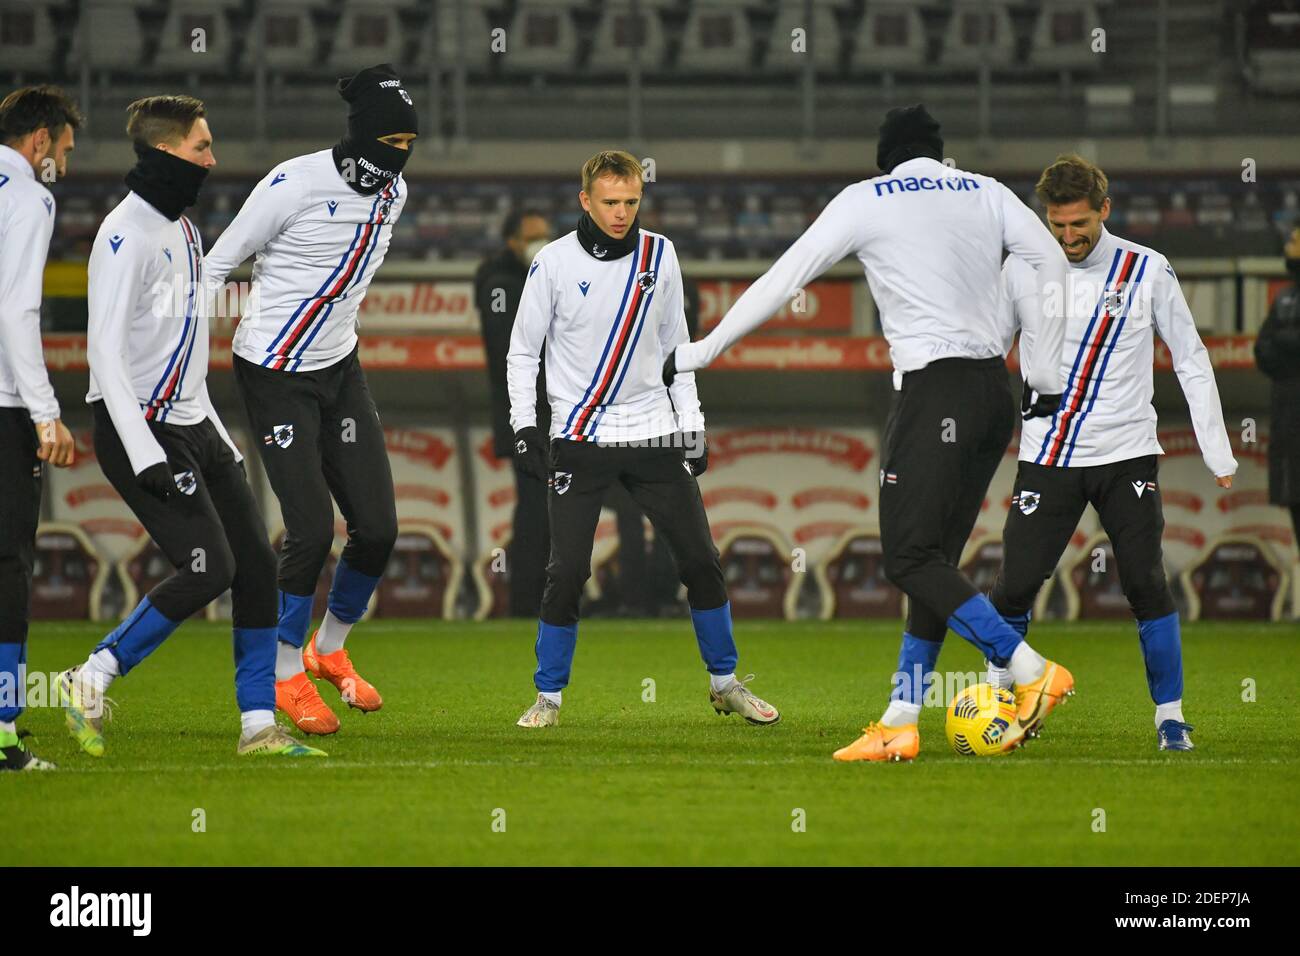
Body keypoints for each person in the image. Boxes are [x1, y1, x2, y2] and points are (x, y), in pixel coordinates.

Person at [664, 105, 1074, 761]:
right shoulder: (987, 193)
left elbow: (785, 277)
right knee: (932, 565)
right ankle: (902, 719)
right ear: (939, 154)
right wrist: (1046, 370)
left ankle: (1028, 669)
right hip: (993, 392)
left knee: (908, 559)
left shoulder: (868, 199)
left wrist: (706, 349)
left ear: (886, 158)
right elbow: (1051, 260)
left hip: (933, 389)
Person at [57, 95, 323, 759]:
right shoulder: (123, 235)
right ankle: (88, 678)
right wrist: (146, 453)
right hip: (136, 430)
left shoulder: (182, 226)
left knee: (257, 566)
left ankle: (257, 726)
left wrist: (214, 434)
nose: (214, 159)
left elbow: (184, 343)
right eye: (203, 147)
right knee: (209, 566)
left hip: (193, 423)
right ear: (170, 151)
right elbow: (105, 357)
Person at [507, 149, 780, 728]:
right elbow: (522, 351)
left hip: (655, 432)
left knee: (702, 561)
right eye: (610, 202)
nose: (622, 212)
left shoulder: (662, 254)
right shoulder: (552, 264)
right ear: (585, 200)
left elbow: (677, 345)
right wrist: (524, 425)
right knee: (567, 571)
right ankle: (548, 698)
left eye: (631, 201)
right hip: (579, 437)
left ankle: (725, 682)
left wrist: (693, 425)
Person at [989, 155, 1237, 752]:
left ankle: (1171, 719)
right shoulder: (1022, 270)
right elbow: (986, 354)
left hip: (1127, 455)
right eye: (1057, 225)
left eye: (1080, 225)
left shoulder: (1147, 270)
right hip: (1047, 457)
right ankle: (997, 705)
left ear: (1105, 210)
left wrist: (1218, 450)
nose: (1069, 238)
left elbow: (1190, 356)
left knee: (1147, 582)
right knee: (1013, 586)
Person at [203, 64, 416, 736]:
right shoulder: (292, 183)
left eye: (411, 141)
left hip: (339, 370)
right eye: (391, 140)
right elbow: (215, 265)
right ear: (360, 136)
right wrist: (174, 361)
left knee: (379, 529)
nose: (400, 154)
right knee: (311, 530)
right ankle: (286, 669)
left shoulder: (394, 192)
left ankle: (328, 649)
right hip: (273, 372)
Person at [0, 85, 80, 771]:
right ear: (39, 143)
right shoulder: (28, 197)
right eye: (64, 150)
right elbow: (18, 310)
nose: (65, 164)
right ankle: (0, 734)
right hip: (3, 407)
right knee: (7, 565)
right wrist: (44, 412)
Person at [475, 209, 553, 617]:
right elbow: (513, 354)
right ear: (512, 242)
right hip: (525, 416)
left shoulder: (530, 280)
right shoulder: (500, 286)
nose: (543, 242)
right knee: (535, 509)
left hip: (542, 414)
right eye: (533, 236)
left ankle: (536, 600)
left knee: (540, 508)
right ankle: (527, 601)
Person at [1254, 226, 1300, 565]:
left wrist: (1286, 342)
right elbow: (1262, 348)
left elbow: (1279, 343)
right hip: (1288, 412)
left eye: (1296, 241)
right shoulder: (1285, 297)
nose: (1289, 246)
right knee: (1295, 500)